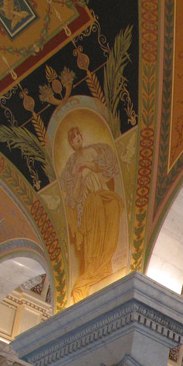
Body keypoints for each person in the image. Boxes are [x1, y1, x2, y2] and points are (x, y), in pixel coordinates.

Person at [59, 126, 125, 301]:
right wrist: (79, 176)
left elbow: (108, 167)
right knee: (95, 212)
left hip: (103, 192)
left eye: (78, 136)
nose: (77, 140)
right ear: (71, 144)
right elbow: (73, 194)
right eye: (73, 139)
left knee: (113, 206)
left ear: (82, 136)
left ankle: (105, 261)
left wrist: (88, 165)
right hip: (90, 201)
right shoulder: (71, 165)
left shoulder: (94, 151)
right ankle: (95, 266)